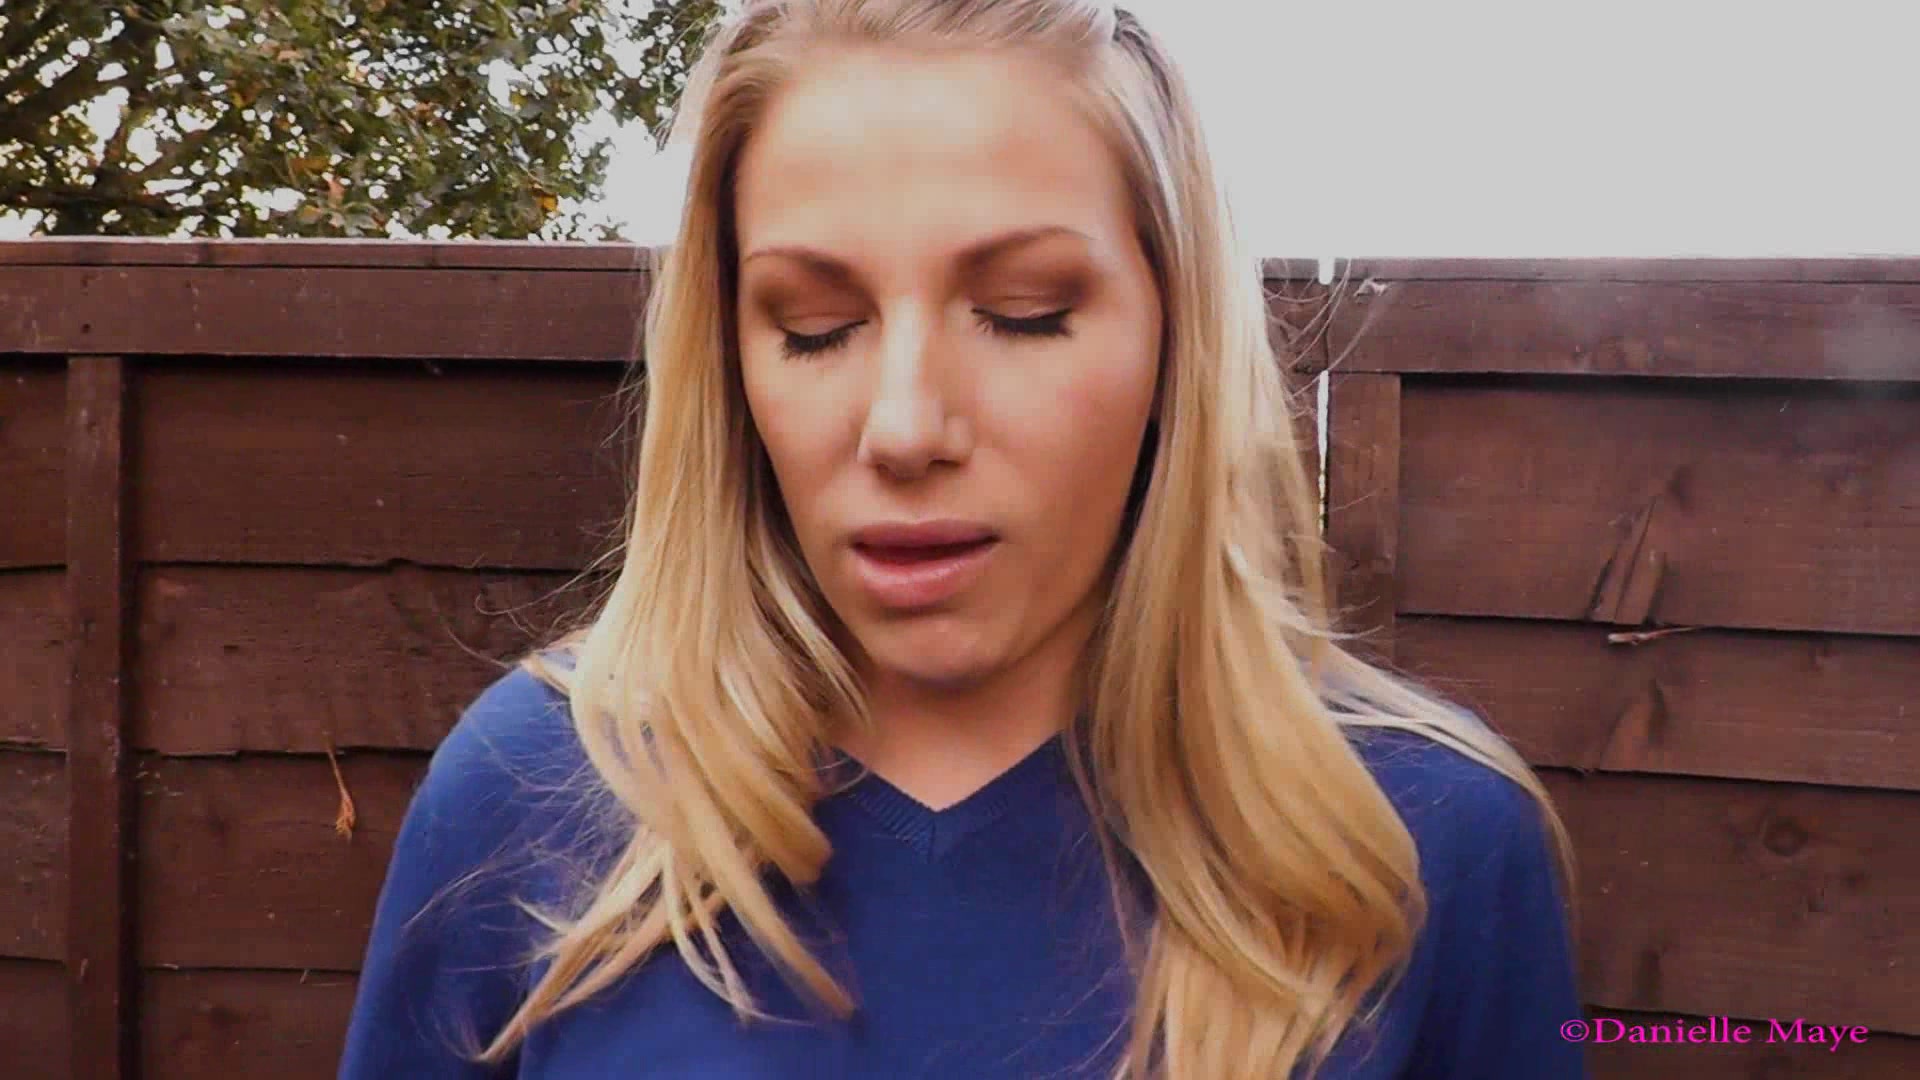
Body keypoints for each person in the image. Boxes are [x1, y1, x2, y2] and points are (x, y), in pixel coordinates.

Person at [340, 1, 1589, 1076]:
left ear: (1175, 337)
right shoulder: (532, 795)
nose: (904, 426)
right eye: (815, 326)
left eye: (1023, 312)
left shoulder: (1423, 843)